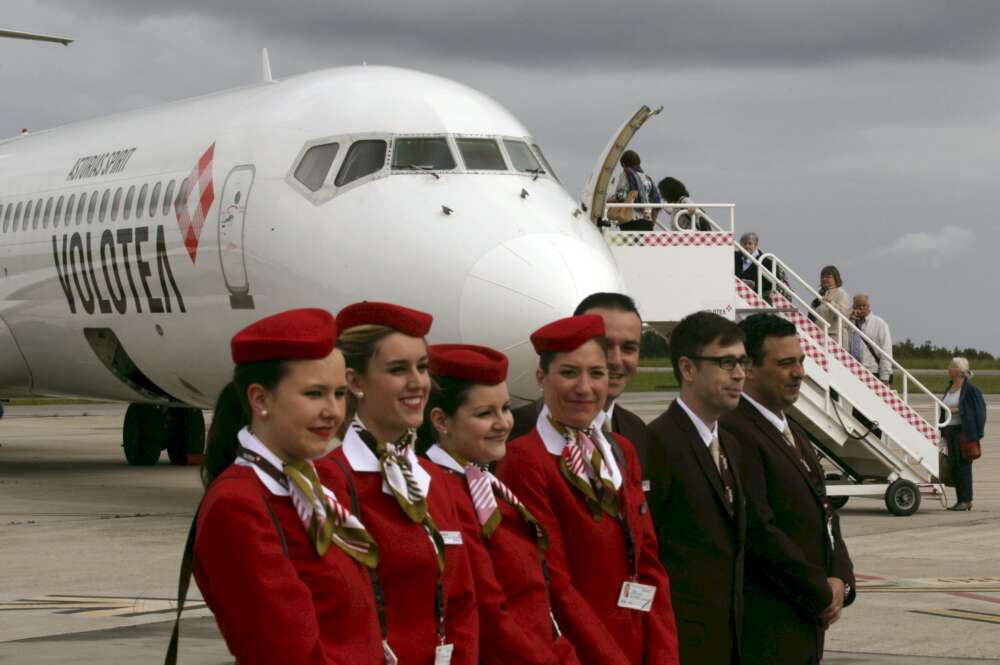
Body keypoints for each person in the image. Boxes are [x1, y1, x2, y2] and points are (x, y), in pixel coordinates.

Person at [190, 308, 383, 665]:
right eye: (314, 394)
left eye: (340, 394)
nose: (333, 411)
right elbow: (284, 648)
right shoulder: (238, 505)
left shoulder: (314, 487)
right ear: (260, 399)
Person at [497, 315, 679, 665]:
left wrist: (663, 655)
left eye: (596, 374)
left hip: (637, 645)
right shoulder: (524, 461)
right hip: (579, 653)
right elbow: (555, 585)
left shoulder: (620, 450)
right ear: (541, 379)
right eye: (569, 373)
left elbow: (649, 563)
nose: (585, 387)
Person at [317, 301, 479, 665]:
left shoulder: (432, 477)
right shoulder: (332, 480)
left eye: (422, 367)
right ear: (355, 382)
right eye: (397, 369)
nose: (417, 382)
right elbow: (334, 615)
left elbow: (463, 601)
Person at [421, 343, 580, 664]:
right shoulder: (438, 492)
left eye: (505, 408)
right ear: (440, 420)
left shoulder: (485, 484)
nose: (504, 423)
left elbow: (536, 592)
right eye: (484, 414)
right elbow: (490, 612)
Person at [720, 314, 855, 665]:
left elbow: (825, 511)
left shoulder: (791, 428)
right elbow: (760, 531)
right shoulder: (735, 431)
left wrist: (841, 578)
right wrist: (820, 590)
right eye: (785, 364)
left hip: (805, 623)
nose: (799, 372)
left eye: (801, 361)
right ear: (747, 368)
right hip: (768, 627)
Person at [646, 311, 748, 664]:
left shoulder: (730, 445)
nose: (739, 374)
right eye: (726, 363)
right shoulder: (656, 444)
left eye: (742, 362)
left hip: (729, 640)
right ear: (688, 369)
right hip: (680, 643)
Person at [511, 293, 651, 477]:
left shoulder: (636, 431)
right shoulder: (513, 433)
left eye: (629, 348)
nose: (616, 360)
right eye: (605, 346)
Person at [940, 357, 987, 511]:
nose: (949, 369)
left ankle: (966, 500)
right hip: (950, 431)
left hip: (963, 432)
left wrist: (976, 434)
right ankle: (961, 499)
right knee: (954, 465)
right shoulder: (949, 387)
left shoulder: (971, 390)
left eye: (951, 366)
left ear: (959, 372)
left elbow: (980, 411)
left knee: (963, 466)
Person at [608, 150, 661, 231]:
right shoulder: (647, 178)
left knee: (628, 243)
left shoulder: (626, 174)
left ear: (623, 164)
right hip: (647, 221)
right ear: (638, 162)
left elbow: (622, 196)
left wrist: (609, 200)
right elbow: (657, 201)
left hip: (630, 219)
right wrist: (653, 223)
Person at [848, 294, 893, 385]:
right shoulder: (849, 323)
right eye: (858, 306)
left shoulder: (879, 323)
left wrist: (885, 376)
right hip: (852, 369)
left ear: (869, 306)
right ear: (853, 307)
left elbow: (886, 350)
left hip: (872, 370)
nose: (861, 308)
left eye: (864, 305)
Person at [735, 232, 784, 302]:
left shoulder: (767, 262)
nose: (747, 246)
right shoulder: (735, 257)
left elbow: (772, 284)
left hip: (757, 298)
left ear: (756, 246)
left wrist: (754, 285)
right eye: (744, 244)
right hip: (738, 296)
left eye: (750, 243)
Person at [811, 265, 851, 344]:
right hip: (819, 335)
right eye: (822, 277)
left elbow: (845, 313)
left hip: (834, 338)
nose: (824, 279)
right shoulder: (820, 294)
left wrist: (831, 303)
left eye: (828, 277)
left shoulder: (841, 293)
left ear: (836, 278)